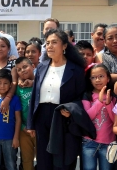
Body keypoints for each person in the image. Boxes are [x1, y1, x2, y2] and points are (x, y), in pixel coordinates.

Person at [27, 29, 95, 170]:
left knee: (62, 161)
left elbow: (82, 96)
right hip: (42, 117)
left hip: (63, 118)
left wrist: (71, 110)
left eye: (54, 42)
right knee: (43, 161)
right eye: (47, 43)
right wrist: (31, 124)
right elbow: (35, 96)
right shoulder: (41, 67)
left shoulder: (75, 69)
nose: (50, 46)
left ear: (64, 46)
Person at [82, 64, 116, 170]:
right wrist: (100, 102)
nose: (97, 80)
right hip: (89, 142)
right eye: (93, 77)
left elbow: (115, 119)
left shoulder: (113, 96)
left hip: (108, 142)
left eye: (101, 76)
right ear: (90, 80)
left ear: (108, 78)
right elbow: (87, 118)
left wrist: (108, 103)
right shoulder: (87, 95)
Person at [15, 57, 36, 170]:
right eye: (19, 69)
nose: (22, 70)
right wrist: (23, 127)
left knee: (43, 159)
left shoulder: (40, 83)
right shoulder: (18, 88)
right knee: (26, 160)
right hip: (24, 130)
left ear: (33, 66)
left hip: (38, 129)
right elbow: (16, 111)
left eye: (25, 67)